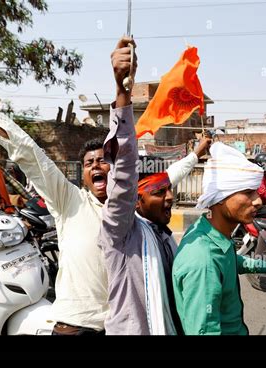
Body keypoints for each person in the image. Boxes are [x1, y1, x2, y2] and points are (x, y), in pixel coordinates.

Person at [0, 38, 135, 335]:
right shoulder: (70, 201)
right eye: (89, 163)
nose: (97, 166)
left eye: (104, 161)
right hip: (75, 327)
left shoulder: (137, 217)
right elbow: (25, 149)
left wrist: (125, 91)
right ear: (83, 175)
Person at [98, 46, 212, 333]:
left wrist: (196, 155)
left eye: (168, 190)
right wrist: (122, 90)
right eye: (160, 193)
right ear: (135, 201)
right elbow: (124, 175)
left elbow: (169, 176)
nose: (170, 196)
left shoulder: (162, 234)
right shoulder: (121, 233)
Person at [172, 143, 266, 335]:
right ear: (220, 197)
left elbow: (231, 260)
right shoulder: (203, 260)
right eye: (247, 193)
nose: (258, 200)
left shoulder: (210, 231)